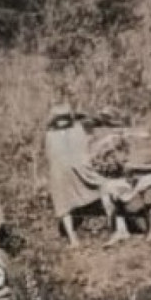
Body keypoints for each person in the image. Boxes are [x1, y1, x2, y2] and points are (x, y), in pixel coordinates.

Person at [44, 104, 108, 246]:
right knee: (63, 204)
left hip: (81, 170)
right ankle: (73, 239)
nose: (62, 121)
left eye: (65, 117)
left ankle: (115, 225)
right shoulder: (50, 135)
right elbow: (51, 157)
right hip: (60, 174)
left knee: (105, 187)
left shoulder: (78, 129)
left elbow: (95, 125)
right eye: (58, 118)